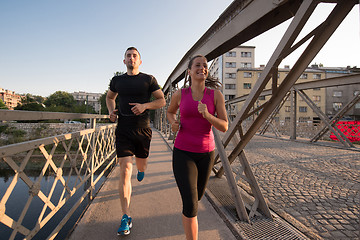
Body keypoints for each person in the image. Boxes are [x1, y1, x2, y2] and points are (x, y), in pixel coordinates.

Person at [166, 55, 228, 240]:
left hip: (206, 155)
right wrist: (173, 122)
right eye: (198, 65)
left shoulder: (215, 95)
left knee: (198, 197)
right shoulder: (180, 94)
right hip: (183, 153)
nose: (202, 68)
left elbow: (224, 126)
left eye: (205, 65)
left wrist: (208, 116)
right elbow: (170, 112)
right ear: (189, 72)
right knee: (191, 205)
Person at [106, 47, 166, 236]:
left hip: (143, 130)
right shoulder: (117, 81)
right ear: (124, 61)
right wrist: (111, 111)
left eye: (134, 56)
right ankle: (126, 216)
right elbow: (110, 97)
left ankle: (142, 170)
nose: (131, 58)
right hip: (123, 129)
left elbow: (162, 101)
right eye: (128, 56)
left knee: (141, 166)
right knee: (125, 170)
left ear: (140, 61)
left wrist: (145, 106)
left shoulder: (149, 79)